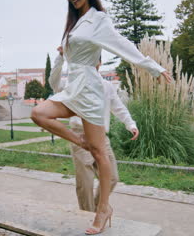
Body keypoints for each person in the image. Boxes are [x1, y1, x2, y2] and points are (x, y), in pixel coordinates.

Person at [30, 0, 171, 234]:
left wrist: (153, 67)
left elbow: (122, 44)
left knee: (100, 154)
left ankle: (103, 208)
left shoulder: (98, 19)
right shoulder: (74, 23)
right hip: (73, 89)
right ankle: (81, 141)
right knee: (39, 113)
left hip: (91, 92)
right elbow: (60, 70)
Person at [49, 52, 139, 213]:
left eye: (94, 60)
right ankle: (86, 215)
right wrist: (60, 58)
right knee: (86, 183)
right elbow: (53, 82)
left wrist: (130, 123)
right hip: (80, 136)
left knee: (112, 178)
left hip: (101, 137)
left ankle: (98, 211)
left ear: (99, 63)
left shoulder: (107, 86)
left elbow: (118, 107)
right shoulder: (72, 83)